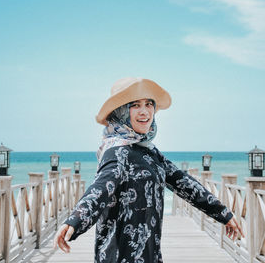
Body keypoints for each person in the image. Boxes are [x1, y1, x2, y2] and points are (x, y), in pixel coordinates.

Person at [54, 77, 244, 262]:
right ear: (121, 111)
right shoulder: (117, 152)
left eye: (149, 104)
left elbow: (184, 183)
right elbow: (101, 189)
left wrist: (223, 213)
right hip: (120, 255)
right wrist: (75, 221)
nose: (144, 112)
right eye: (135, 105)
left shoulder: (150, 152)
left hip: (149, 252)